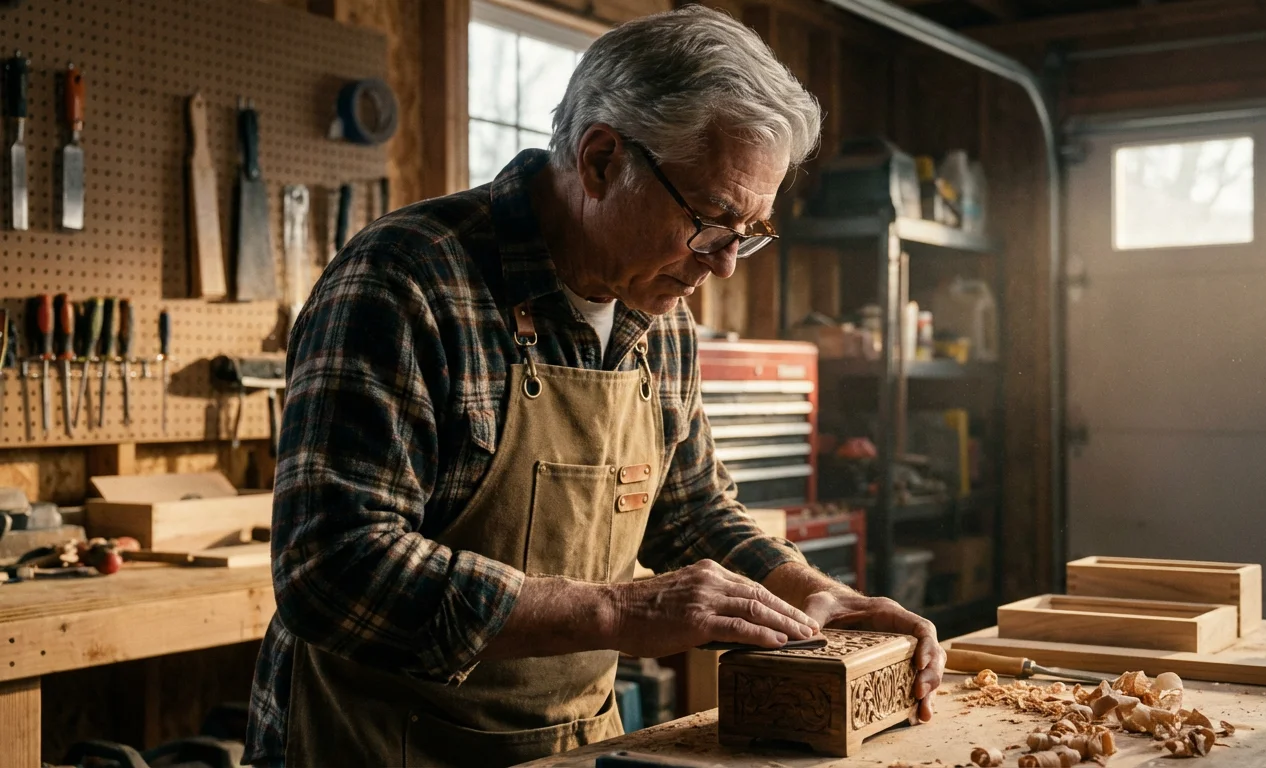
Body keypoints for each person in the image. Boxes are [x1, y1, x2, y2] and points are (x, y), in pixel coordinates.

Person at [244, 5, 946, 766]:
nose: (725, 264)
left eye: (751, 232)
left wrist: (807, 588)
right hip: (383, 743)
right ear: (604, 160)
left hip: (577, 744)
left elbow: (692, 509)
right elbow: (331, 568)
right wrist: (614, 610)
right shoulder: (406, 281)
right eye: (712, 219)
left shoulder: (660, 310)